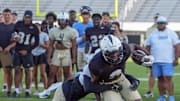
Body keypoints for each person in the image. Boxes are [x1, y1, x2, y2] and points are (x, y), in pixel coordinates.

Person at [88, 35, 153, 101]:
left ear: (120, 48)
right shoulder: (96, 64)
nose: (115, 55)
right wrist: (101, 96)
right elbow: (94, 85)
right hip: (107, 84)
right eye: (111, 53)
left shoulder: (125, 50)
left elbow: (134, 45)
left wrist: (148, 55)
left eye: (116, 51)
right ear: (104, 52)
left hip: (121, 78)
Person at [39, 65, 122, 101]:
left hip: (72, 96)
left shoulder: (99, 74)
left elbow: (97, 90)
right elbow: (89, 88)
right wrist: (109, 87)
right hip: (63, 93)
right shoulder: (88, 72)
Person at [145, 16, 180, 101]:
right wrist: (148, 58)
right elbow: (147, 46)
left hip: (168, 61)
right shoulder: (153, 34)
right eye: (159, 23)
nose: (160, 25)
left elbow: (177, 46)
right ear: (157, 24)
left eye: (162, 23)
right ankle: (161, 97)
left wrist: (176, 58)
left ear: (165, 24)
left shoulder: (171, 33)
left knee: (168, 79)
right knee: (160, 79)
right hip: (156, 61)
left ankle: (171, 97)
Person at [12, 10, 39, 97]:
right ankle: (16, 90)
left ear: (31, 18)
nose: (27, 19)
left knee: (28, 71)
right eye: (26, 17)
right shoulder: (18, 24)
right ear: (23, 17)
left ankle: (27, 90)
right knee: (17, 70)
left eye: (29, 18)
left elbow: (36, 43)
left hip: (27, 52)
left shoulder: (34, 27)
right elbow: (13, 34)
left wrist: (27, 51)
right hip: (17, 51)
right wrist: (14, 37)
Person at [47, 12, 77, 87]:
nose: (62, 22)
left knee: (67, 73)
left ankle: (65, 90)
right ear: (58, 21)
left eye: (64, 20)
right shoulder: (53, 31)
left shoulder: (72, 31)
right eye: (60, 20)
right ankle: (47, 91)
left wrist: (74, 57)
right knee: (52, 73)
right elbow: (50, 45)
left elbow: (74, 46)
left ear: (67, 21)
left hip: (66, 52)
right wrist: (48, 57)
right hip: (57, 52)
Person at [144, 13, 160, 98]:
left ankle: (163, 92)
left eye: (158, 18)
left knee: (163, 75)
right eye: (156, 18)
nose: (157, 19)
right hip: (153, 54)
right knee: (152, 74)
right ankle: (150, 91)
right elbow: (147, 43)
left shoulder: (165, 30)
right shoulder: (149, 29)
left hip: (162, 54)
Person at [0, 8, 15, 96]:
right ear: (2, 15)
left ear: (11, 15)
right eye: (5, 15)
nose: (6, 16)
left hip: (6, 52)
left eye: (8, 15)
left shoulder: (14, 27)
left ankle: (8, 91)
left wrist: (9, 47)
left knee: (8, 71)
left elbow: (16, 41)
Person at [73, 6, 93, 71]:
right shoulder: (76, 25)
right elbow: (74, 41)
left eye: (86, 14)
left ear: (89, 15)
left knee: (91, 68)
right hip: (80, 48)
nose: (85, 16)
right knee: (81, 70)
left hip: (91, 49)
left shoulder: (93, 24)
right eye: (83, 14)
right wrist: (82, 38)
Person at [32, 20, 49, 95]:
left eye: (38, 27)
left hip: (41, 54)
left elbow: (47, 46)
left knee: (42, 72)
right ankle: (36, 89)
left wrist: (39, 43)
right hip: (33, 54)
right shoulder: (31, 35)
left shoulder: (44, 35)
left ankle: (46, 88)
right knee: (34, 73)